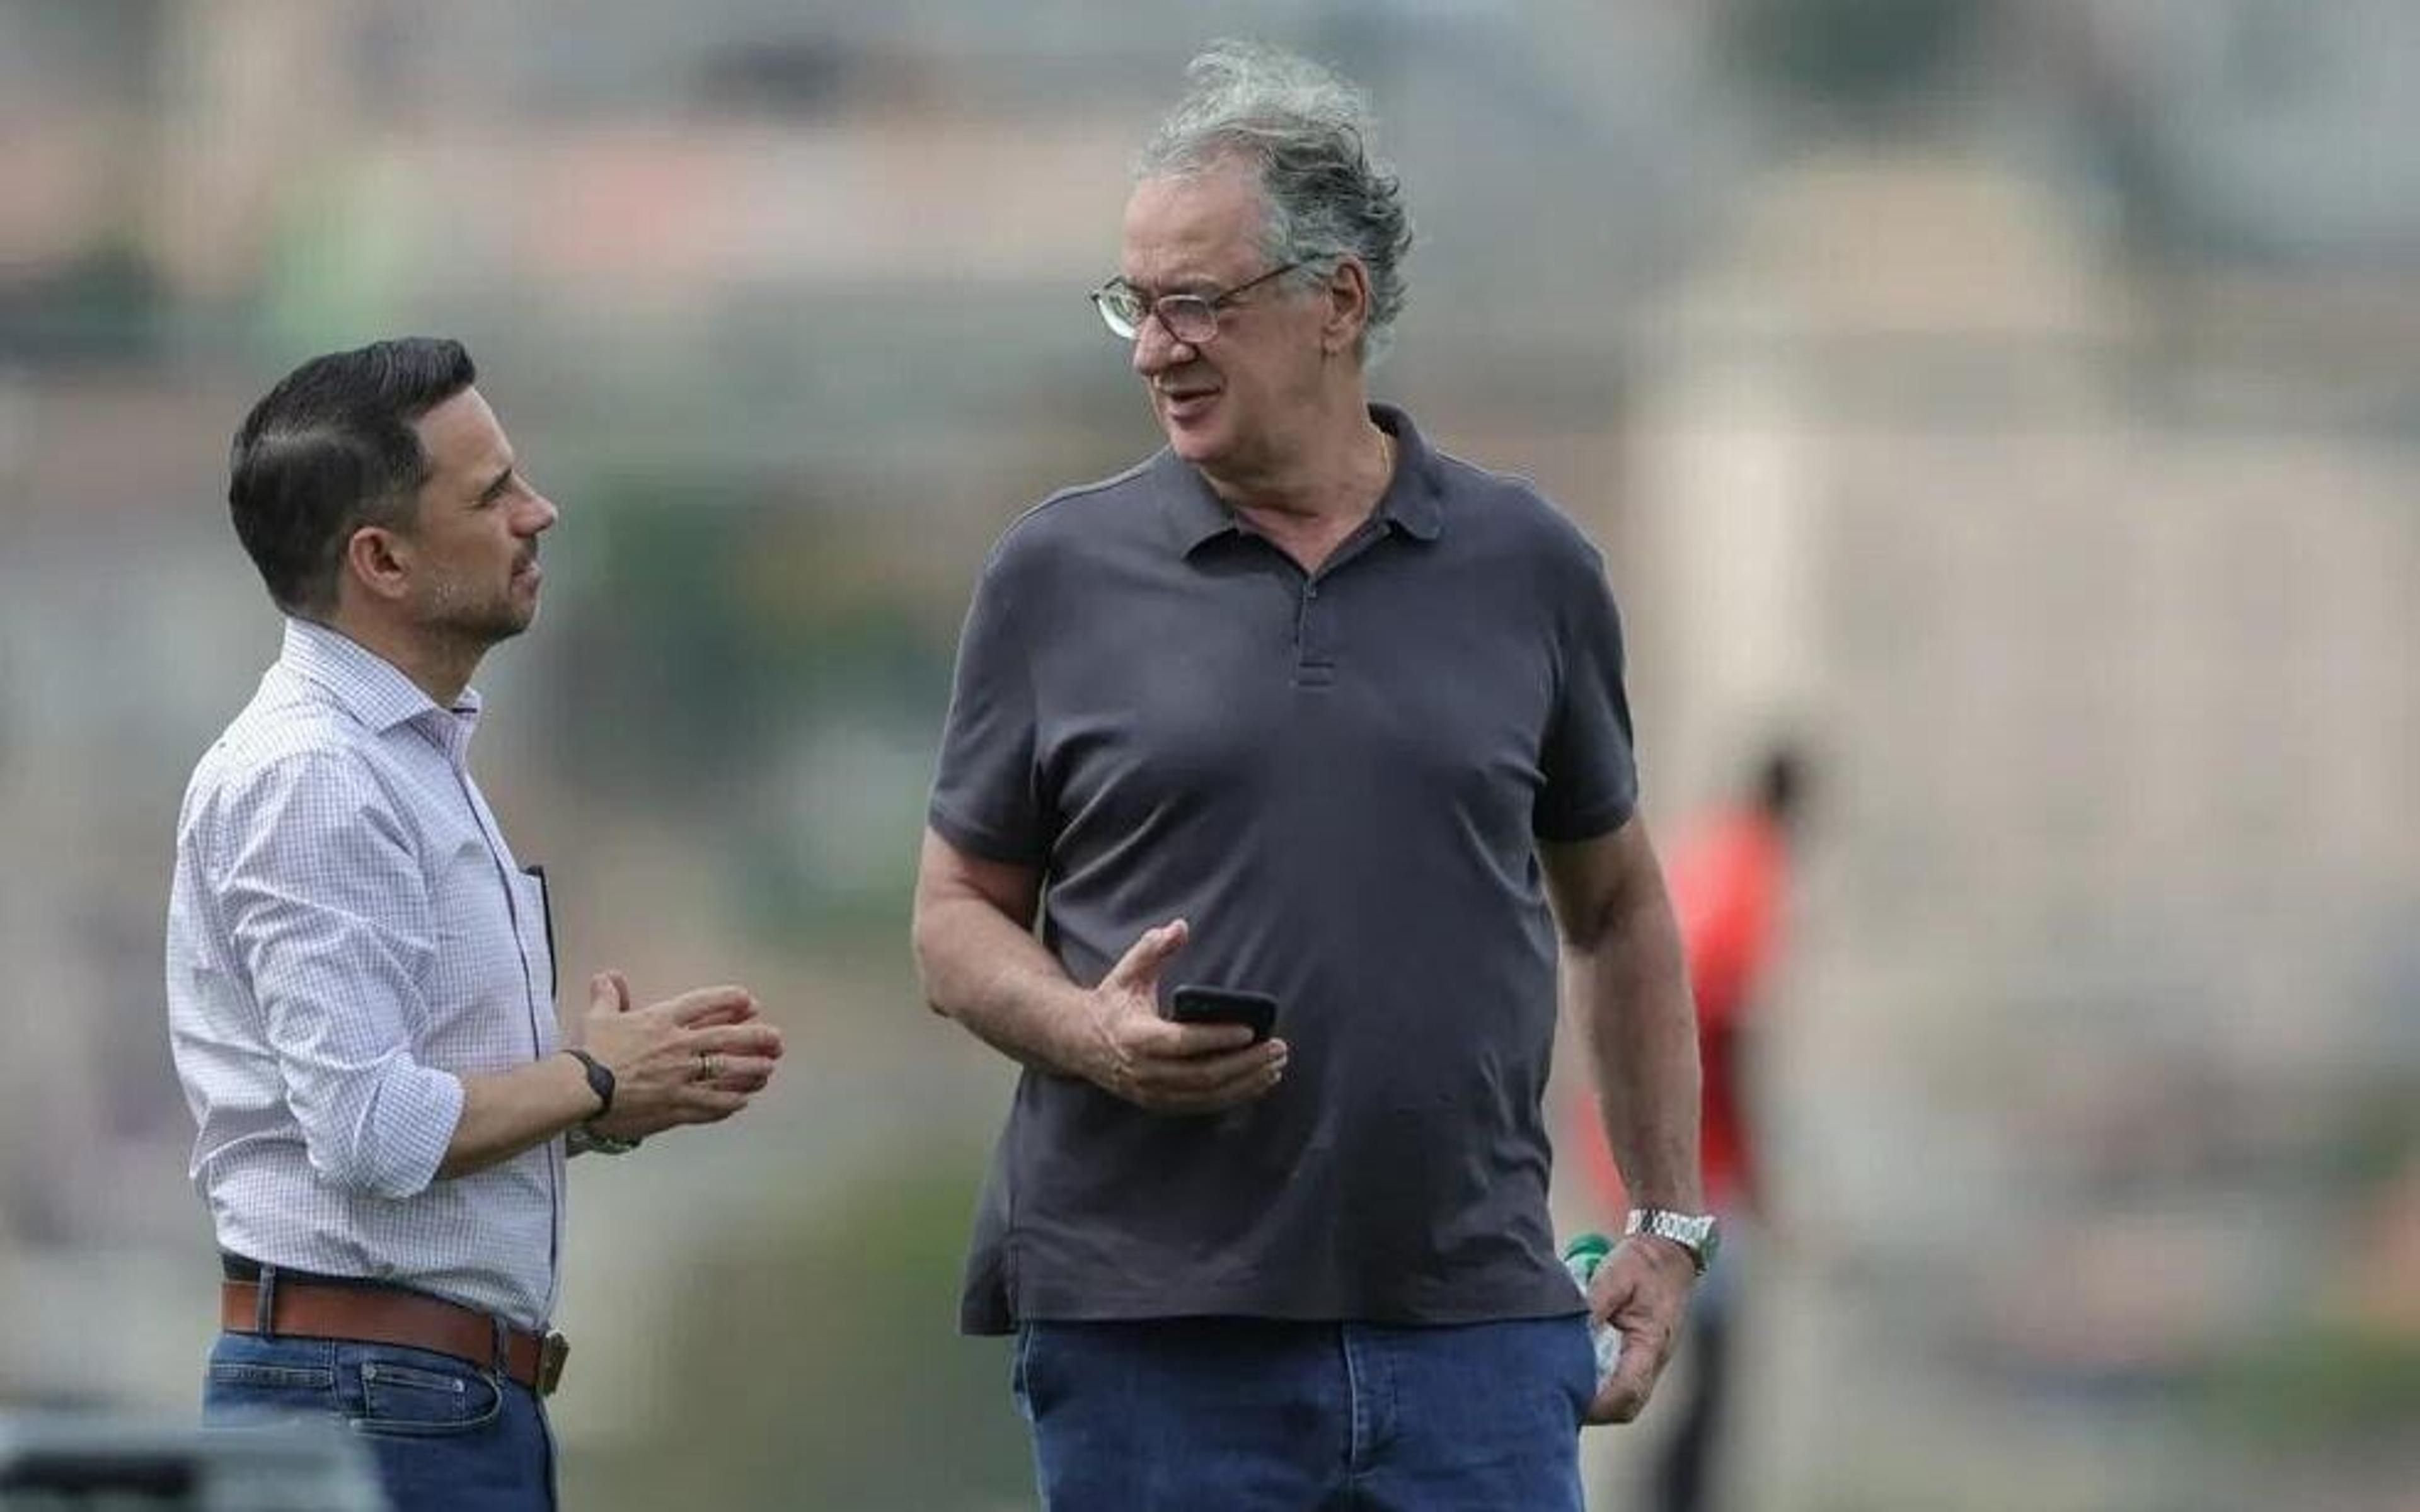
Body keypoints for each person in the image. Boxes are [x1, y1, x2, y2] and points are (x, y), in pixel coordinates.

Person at [912, 42, 1710, 1509]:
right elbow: (953, 914)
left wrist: (1663, 1224)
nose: (1154, 346)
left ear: (1337, 302)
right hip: (1151, 1340)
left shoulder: (1527, 567)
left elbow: (1617, 912)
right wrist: (1086, 1029)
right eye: (1134, 306)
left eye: (1197, 303)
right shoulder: (1055, 573)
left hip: (1472, 1328)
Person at [166, 338, 785, 1512]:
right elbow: (366, 1129)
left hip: (421, 1399)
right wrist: (591, 1078)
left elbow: (392, 1110)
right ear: (382, 559)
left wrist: (598, 1102)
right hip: (372, 1403)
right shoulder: (314, 777)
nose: (537, 514)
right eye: (492, 494)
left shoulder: (401, 757)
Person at [1568, 743, 1807, 1511]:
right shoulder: (1755, 871)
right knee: (1709, 1371)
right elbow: (1728, 1027)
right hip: (1692, 1168)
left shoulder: (1710, 851)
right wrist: (1755, 1175)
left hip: (1637, 1148)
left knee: (1689, 1370)